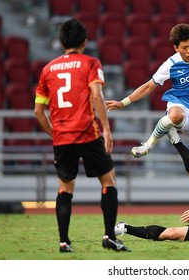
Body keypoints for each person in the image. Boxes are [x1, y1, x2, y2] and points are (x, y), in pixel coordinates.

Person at [106, 12, 189, 195]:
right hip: (180, 104)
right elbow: (148, 87)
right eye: (184, 48)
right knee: (176, 115)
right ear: (176, 48)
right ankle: (148, 145)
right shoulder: (170, 64)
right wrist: (123, 103)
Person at [34, 18, 130, 252]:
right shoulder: (90, 63)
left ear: (61, 42)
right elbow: (97, 96)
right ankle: (109, 237)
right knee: (108, 181)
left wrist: (54, 134)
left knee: (65, 188)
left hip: (62, 137)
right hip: (87, 132)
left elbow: (38, 111)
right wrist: (106, 129)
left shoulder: (48, 69)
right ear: (85, 42)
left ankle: (64, 242)